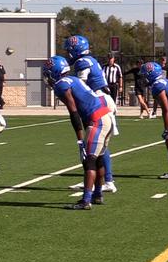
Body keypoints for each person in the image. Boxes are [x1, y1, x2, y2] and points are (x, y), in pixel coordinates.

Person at [42, 56, 114, 210]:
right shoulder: (73, 79)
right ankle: (98, 195)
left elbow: (74, 113)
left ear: (54, 72)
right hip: (105, 115)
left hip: (98, 120)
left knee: (89, 161)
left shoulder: (61, 85)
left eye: (48, 73)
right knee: (99, 159)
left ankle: (86, 200)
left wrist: (80, 139)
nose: (47, 78)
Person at [65, 35, 118, 193]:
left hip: (98, 100)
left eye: (70, 49)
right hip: (103, 98)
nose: (68, 53)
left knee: (92, 144)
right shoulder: (89, 59)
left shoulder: (83, 62)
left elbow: (81, 85)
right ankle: (104, 180)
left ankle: (103, 181)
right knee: (100, 144)